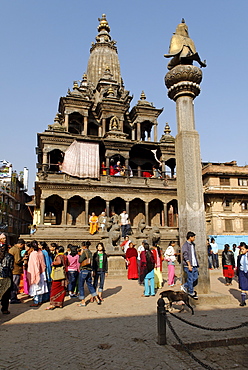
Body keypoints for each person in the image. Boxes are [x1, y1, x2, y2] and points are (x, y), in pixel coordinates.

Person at [78, 242, 101, 306]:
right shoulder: (90, 252)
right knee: (90, 285)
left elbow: (80, 260)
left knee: (81, 286)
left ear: (84, 246)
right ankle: (97, 298)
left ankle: (83, 301)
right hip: (89, 270)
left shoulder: (84, 252)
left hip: (84, 270)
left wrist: (81, 254)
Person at [27, 240, 48, 307]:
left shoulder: (33, 254)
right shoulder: (40, 252)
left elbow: (35, 265)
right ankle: (40, 301)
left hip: (35, 272)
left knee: (36, 287)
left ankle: (36, 301)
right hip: (42, 271)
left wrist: (36, 273)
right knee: (41, 287)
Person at [181, 231, 199, 299]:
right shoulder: (185, 245)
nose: (194, 238)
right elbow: (185, 255)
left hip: (194, 264)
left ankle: (185, 286)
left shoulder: (192, 245)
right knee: (190, 279)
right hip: (188, 265)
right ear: (190, 237)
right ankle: (191, 292)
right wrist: (189, 265)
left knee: (195, 277)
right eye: (193, 237)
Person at [9, 238, 25, 304]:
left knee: (12, 284)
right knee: (15, 284)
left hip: (11, 269)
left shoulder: (12, 249)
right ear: (20, 244)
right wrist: (23, 259)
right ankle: (13, 298)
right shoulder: (17, 250)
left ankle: (12, 297)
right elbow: (18, 261)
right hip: (16, 269)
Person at [0, 242, 14, 314]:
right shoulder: (10, 256)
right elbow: (11, 267)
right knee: (5, 293)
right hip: (6, 277)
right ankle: (4, 309)